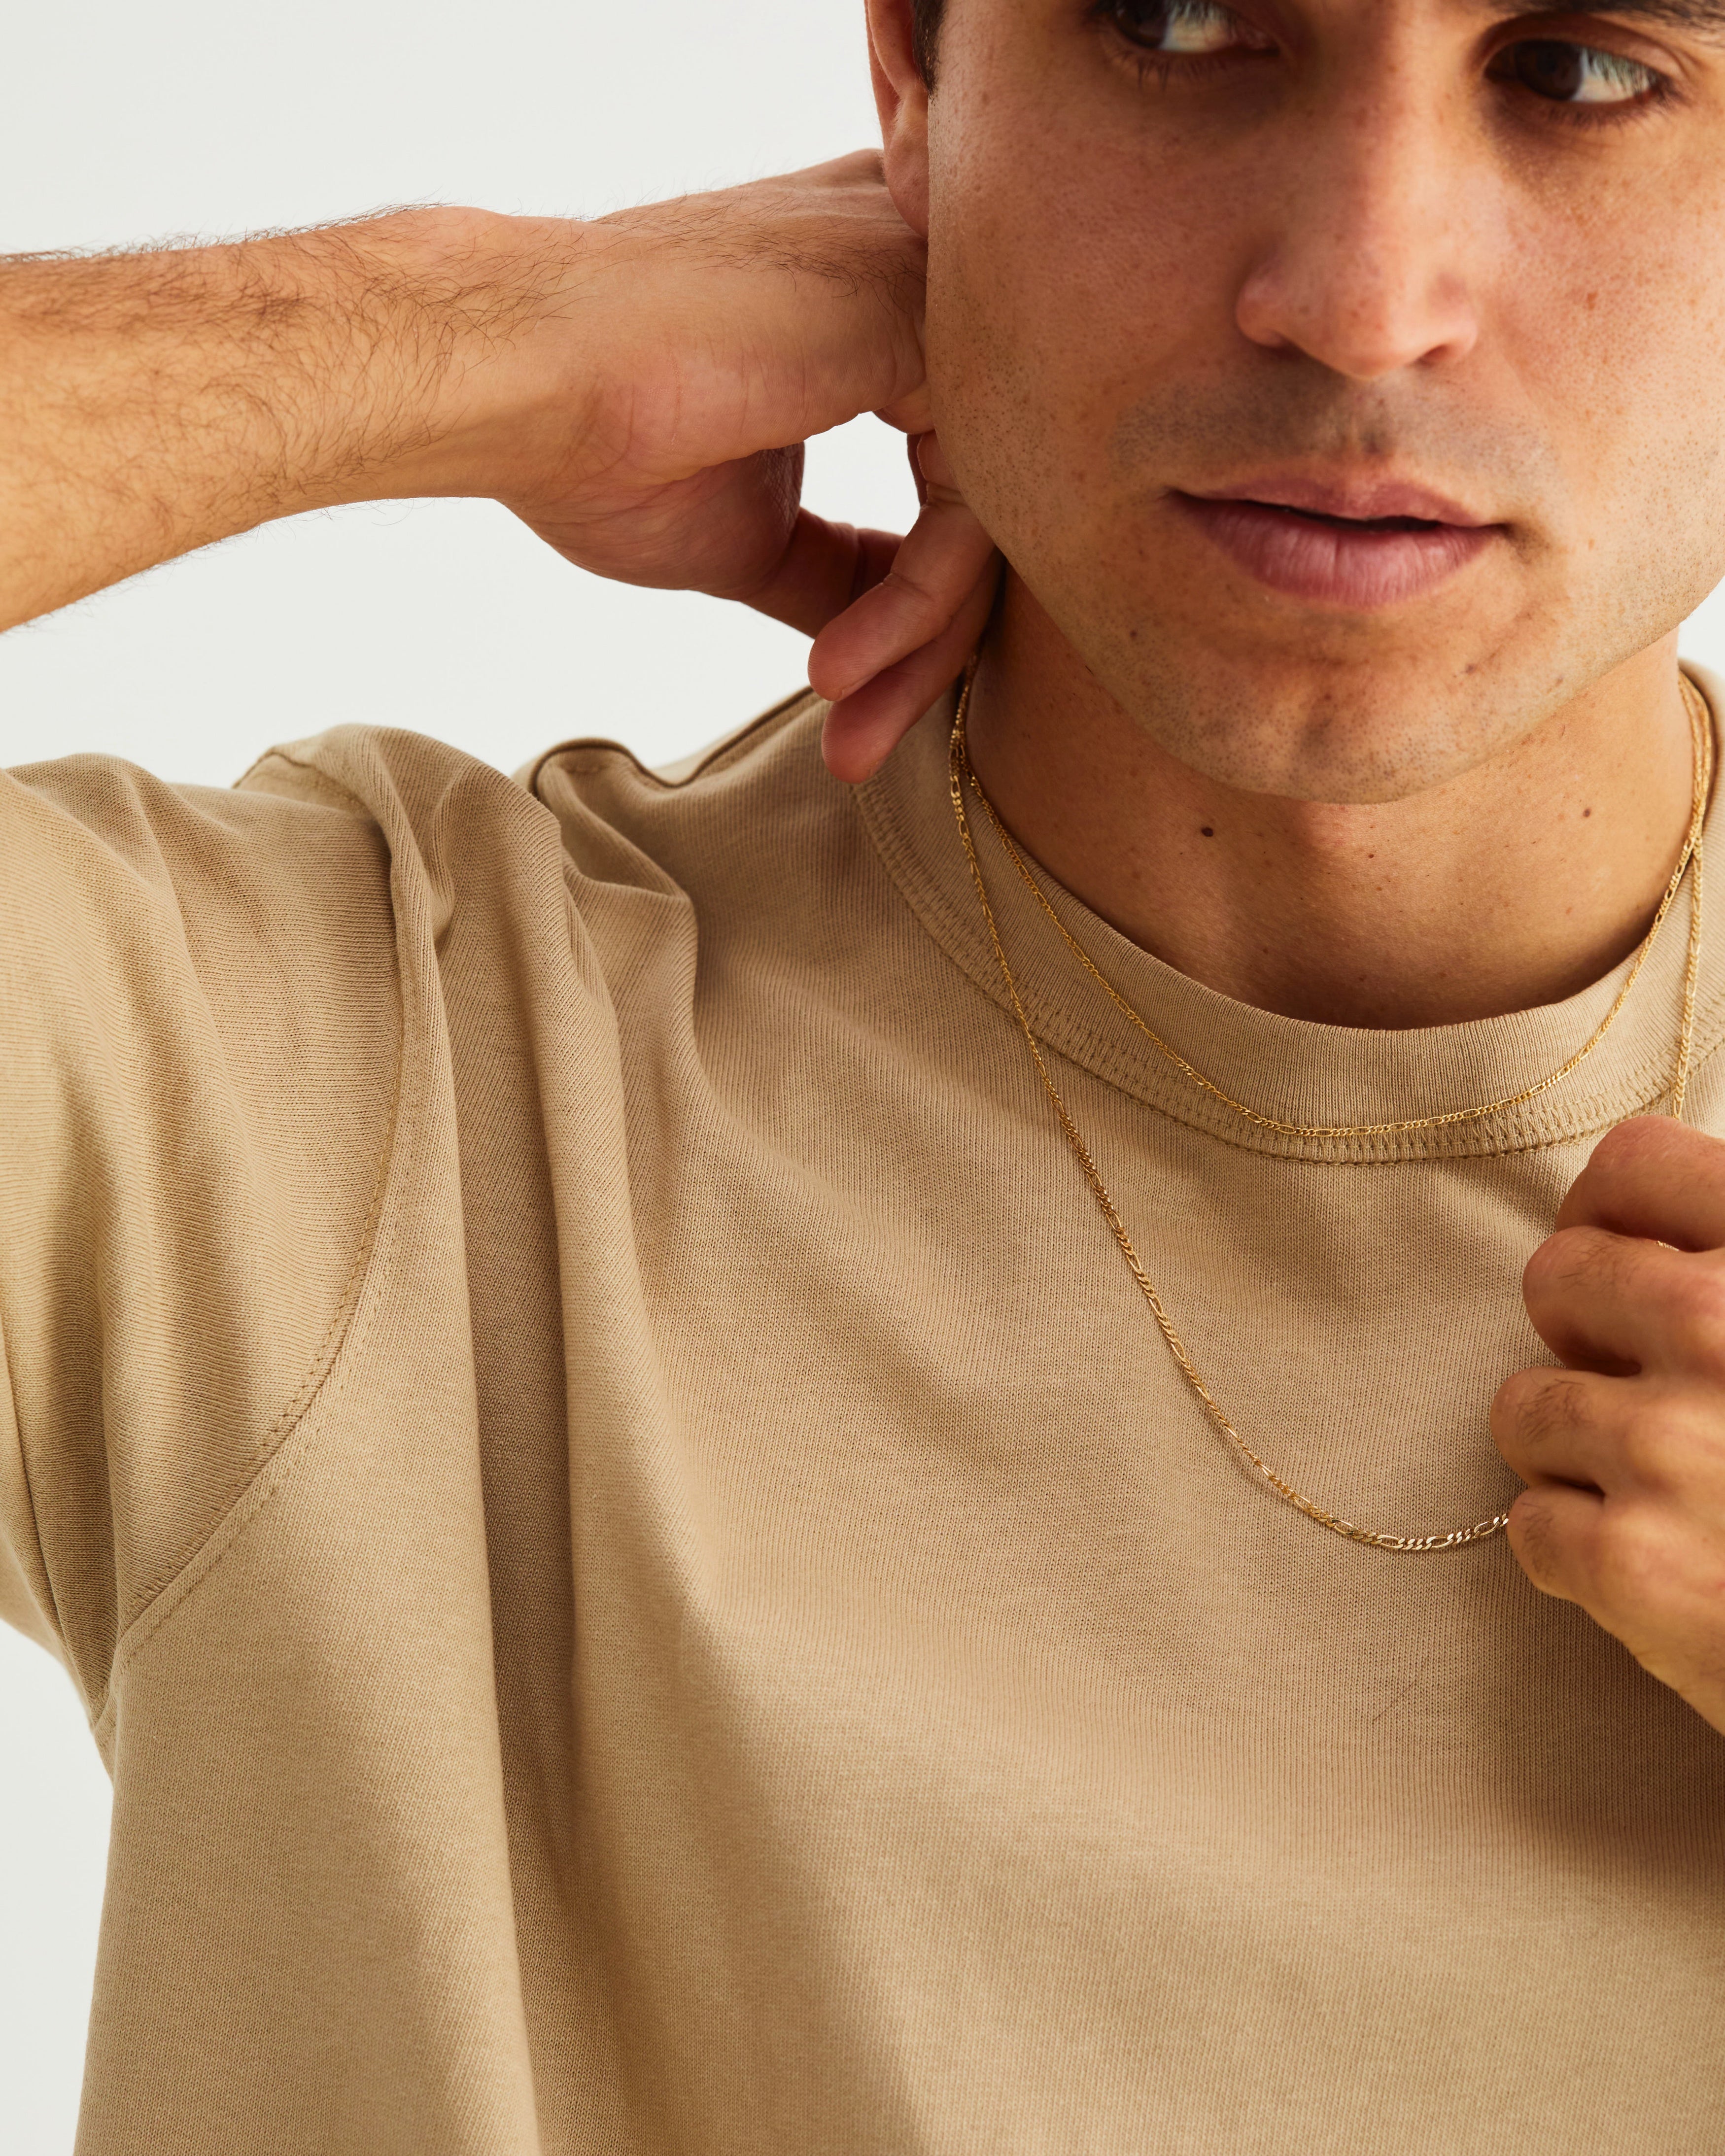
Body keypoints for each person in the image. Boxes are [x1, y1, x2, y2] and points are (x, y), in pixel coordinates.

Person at [5, 0, 1725, 2146]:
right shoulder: (336, 1082)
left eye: (1578, 70)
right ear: (911, 72)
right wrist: (447, 328)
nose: (1363, 301)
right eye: (1181, 21)